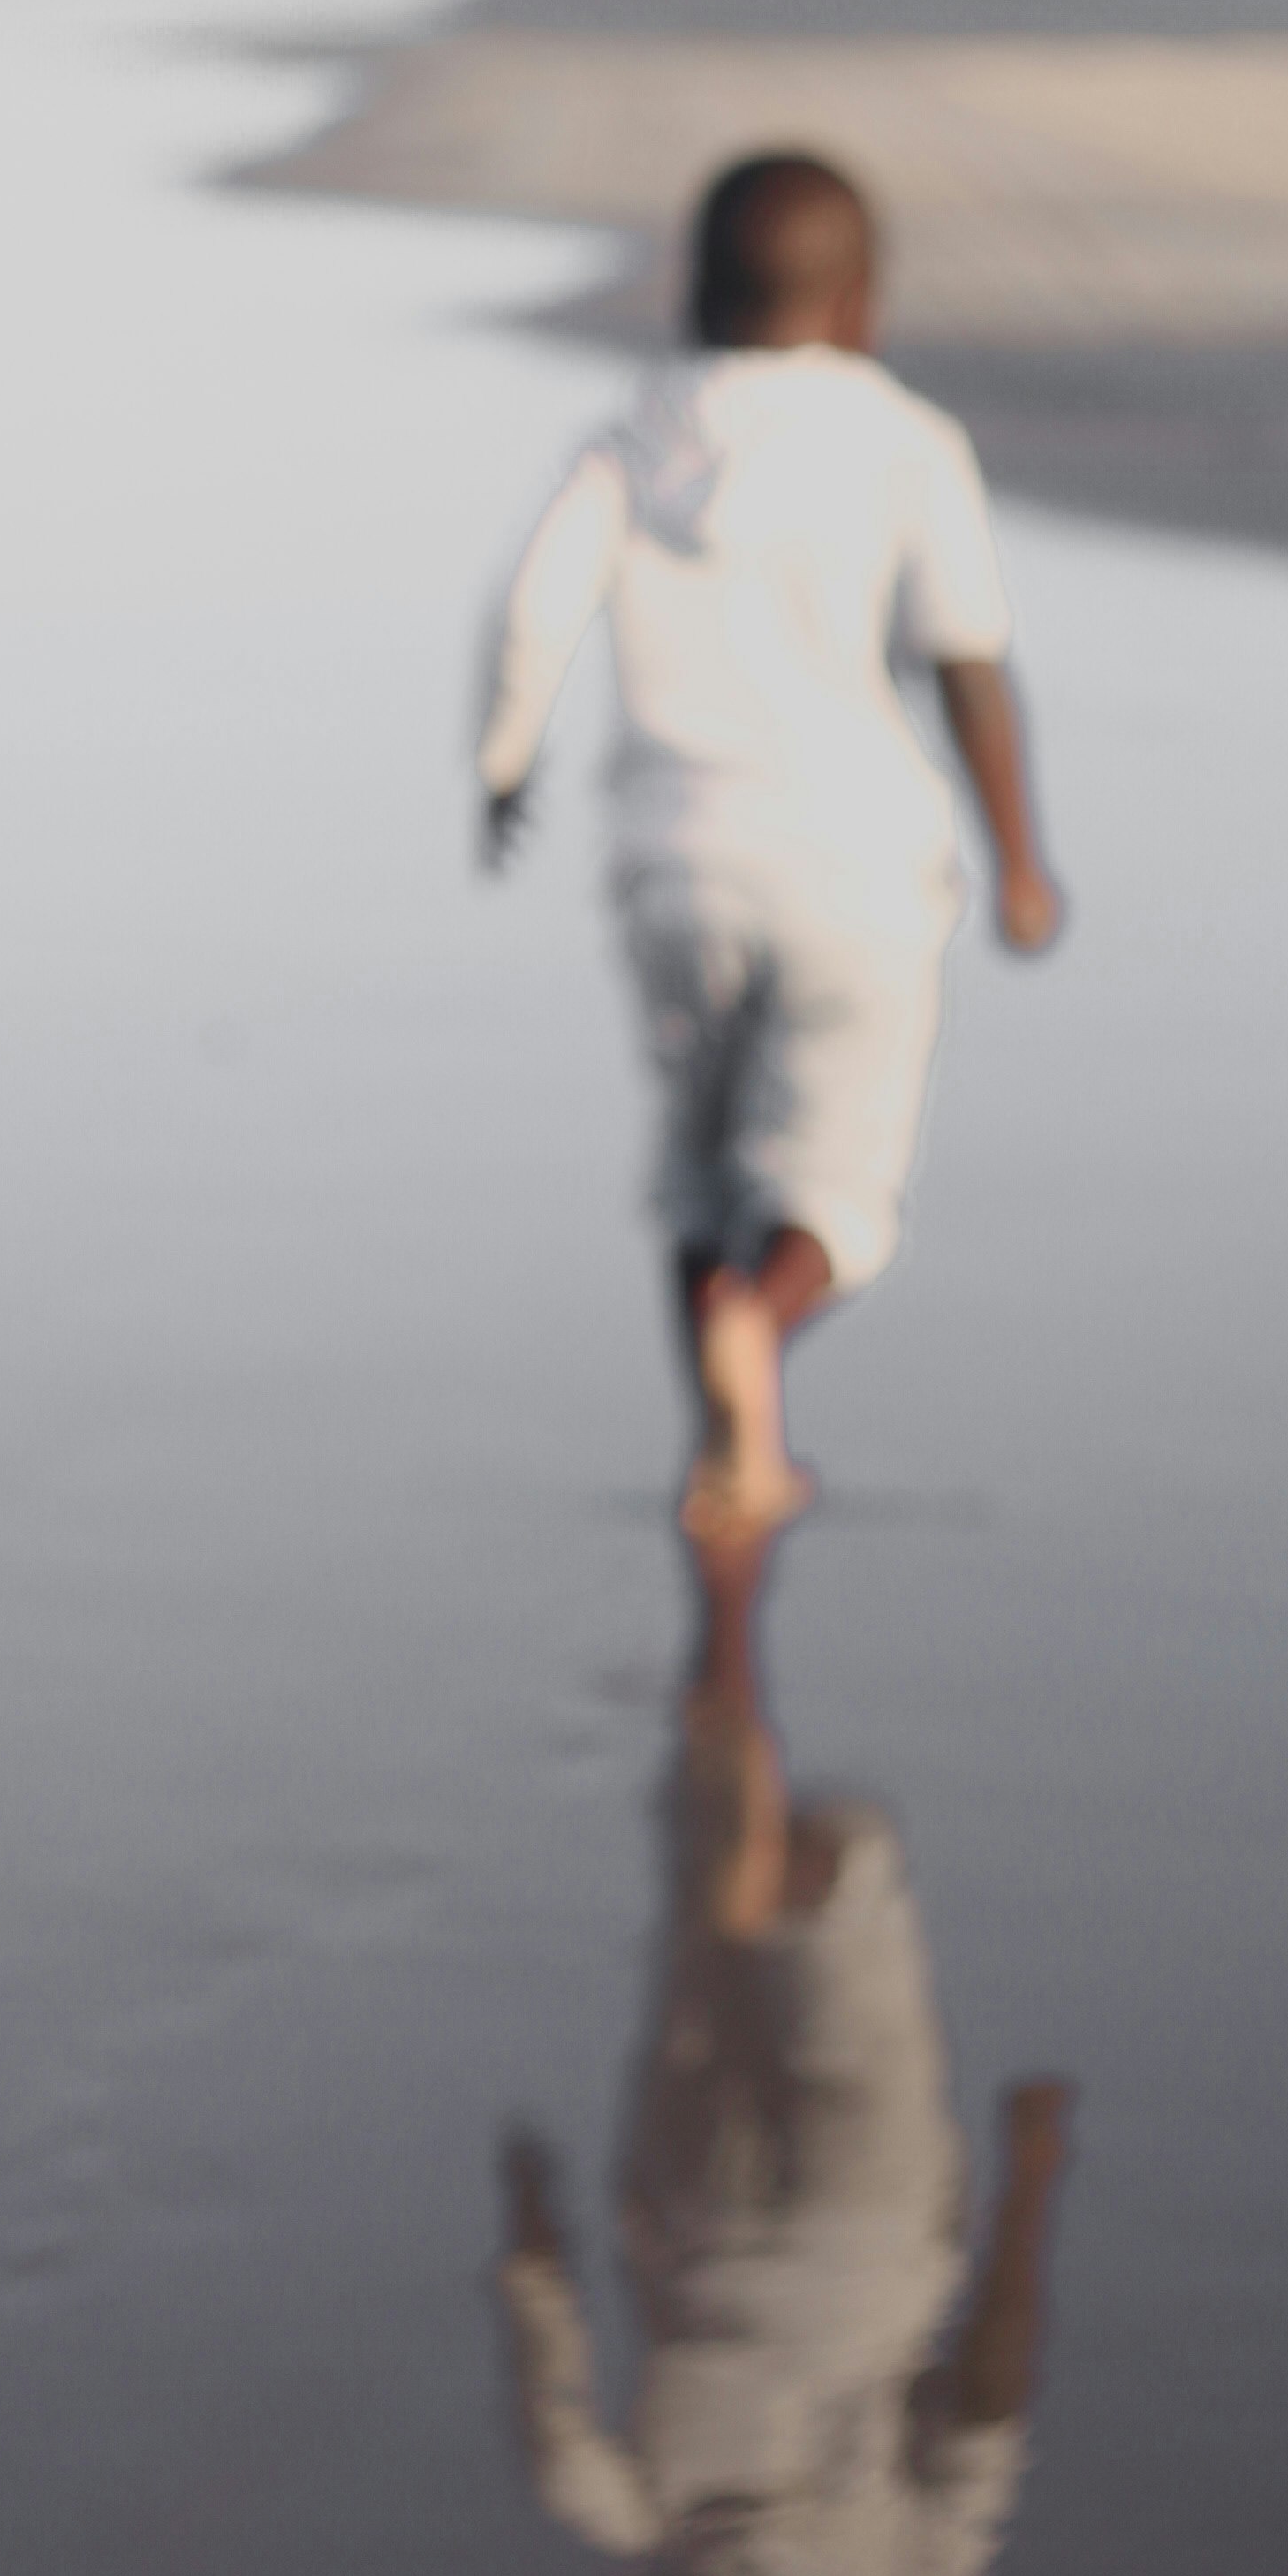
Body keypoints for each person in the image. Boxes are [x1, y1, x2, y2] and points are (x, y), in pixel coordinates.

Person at [476, 148, 1058, 1542]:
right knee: (835, 1187)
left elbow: (536, 609)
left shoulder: (630, 442)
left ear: (692, 293)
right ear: (860, 303)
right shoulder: (905, 442)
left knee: (698, 1174)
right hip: (856, 866)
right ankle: (768, 1325)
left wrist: (505, 763)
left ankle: (726, 1461)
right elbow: (968, 659)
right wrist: (1022, 860)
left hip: (673, 864)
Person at [495, 1534, 1076, 2576]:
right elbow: (560, 2465)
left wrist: (1035, 2182)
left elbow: (990, 2392)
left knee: (840, 1865)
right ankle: (725, 1597)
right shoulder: (658, 2549)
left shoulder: (927, 2569)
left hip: (866, 2242)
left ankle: (745, 1632)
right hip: (691, 2228)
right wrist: (531, 2254)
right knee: (713, 1896)